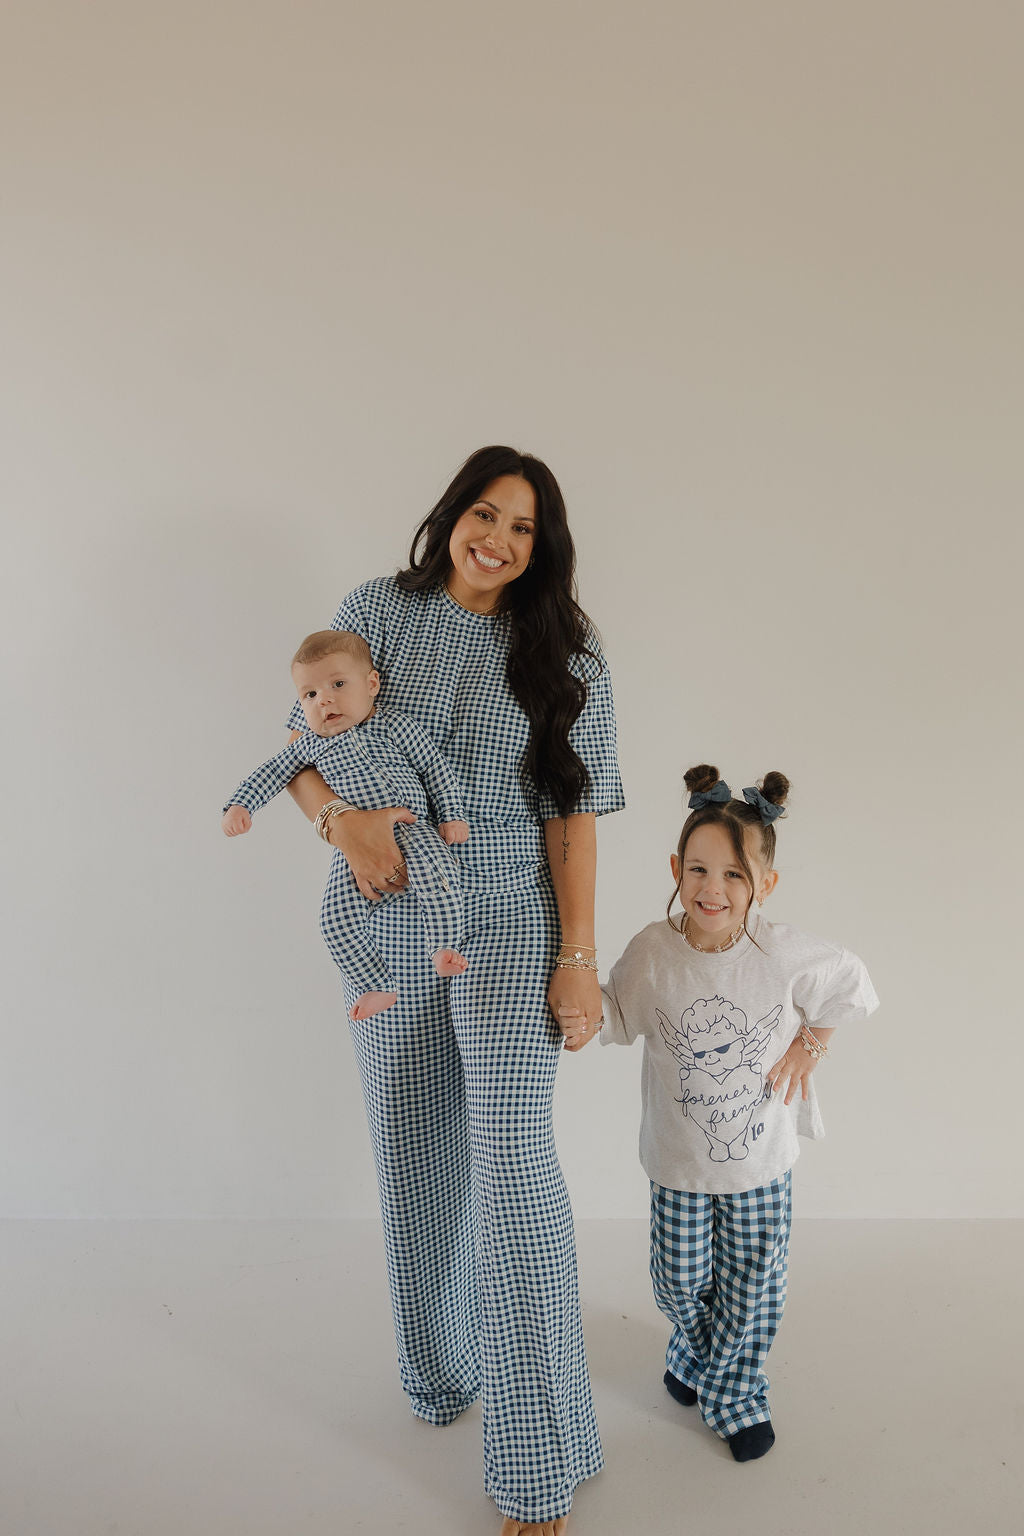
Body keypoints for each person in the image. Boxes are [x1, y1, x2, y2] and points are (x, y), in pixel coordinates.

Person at [284, 447, 623, 1536]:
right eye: (485, 514)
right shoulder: (373, 611)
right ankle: (440, 1370)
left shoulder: (566, 649)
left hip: (513, 918)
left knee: (512, 1164)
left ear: (542, 546)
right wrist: (341, 825)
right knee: (413, 1140)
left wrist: (578, 957)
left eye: (523, 528)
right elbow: (301, 746)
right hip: (389, 914)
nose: (499, 540)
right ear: (450, 515)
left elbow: (574, 816)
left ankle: (541, 1454)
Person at [559, 764, 878, 1463]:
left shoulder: (781, 952)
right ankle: (694, 1351)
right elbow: (615, 1013)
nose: (713, 888)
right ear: (676, 869)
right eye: (699, 869)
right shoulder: (653, 951)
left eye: (735, 875)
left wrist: (812, 1042)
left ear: (765, 884)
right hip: (679, 1163)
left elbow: (852, 982)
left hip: (760, 1165)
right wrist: (581, 1015)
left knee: (751, 1287)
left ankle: (734, 1394)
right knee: (678, 1280)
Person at [221, 628, 470, 1021]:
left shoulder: (396, 726)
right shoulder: (311, 743)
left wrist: (452, 815)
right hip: (353, 848)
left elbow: (435, 769)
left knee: (439, 877)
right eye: (310, 694)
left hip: (412, 827)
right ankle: (375, 983)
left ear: (371, 684)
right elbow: (271, 772)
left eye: (337, 684)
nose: (324, 700)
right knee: (333, 919)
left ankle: (443, 946)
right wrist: (241, 804)